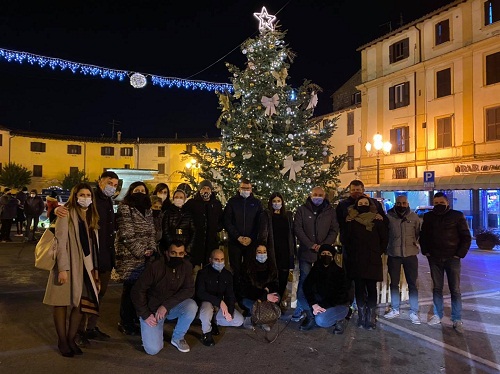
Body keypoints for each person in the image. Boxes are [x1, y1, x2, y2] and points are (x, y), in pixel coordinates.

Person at [42, 182, 100, 357]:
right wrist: (62, 269)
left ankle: (71, 338)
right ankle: (62, 341)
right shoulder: (66, 213)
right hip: (66, 264)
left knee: (79, 304)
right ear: (75, 196)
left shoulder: (91, 216)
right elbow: (60, 242)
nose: (85, 198)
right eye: (81, 195)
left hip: (85, 267)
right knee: (61, 302)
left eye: (88, 195)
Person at [131, 241, 198, 355]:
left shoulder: (186, 266)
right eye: (173, 253)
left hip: (170, 307)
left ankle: (178, 337)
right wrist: (145, 314)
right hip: (152, 310)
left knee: (191, 306)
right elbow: (137, 291)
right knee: (153, 350)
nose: (177, 257)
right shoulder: (155, 267)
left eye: (180, 254)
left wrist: (166, 306)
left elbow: (189, 289)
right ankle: (151, 330)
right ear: (166, 253)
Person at [420, 192, 471, 334]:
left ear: (447, 202)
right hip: (435, 258)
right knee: (437, 288)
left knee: (455, 290)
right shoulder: (428, 216)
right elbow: (423, 235)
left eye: (441, 203)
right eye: (436, 203)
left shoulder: (457, 215)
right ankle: (437, 315)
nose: (439, 205)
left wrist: (459, 254)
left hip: (452, 258)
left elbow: (466, 237)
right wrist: (426, 251)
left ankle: (457, 319)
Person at [77, 171, 119, 342]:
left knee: (100, 294)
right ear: (100, 181)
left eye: (115, 185)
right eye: (109, 183)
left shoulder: (108, 201)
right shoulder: (90, 198)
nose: (112, 187)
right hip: (92, 256)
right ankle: (80, 330)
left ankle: (92, 327)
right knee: (87, 295)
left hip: (105, 257)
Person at [335, 179, 388, 317]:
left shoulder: (373, 204)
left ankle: (367, 311)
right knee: (351, 280)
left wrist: (379, 250)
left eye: (358, 190)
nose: (356, 193)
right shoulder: (343, 205)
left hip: (371, 253)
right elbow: (339, 224)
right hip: (353, 251)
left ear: (363, 190)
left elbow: (383, 225)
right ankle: (351, 306)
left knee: (369, 284)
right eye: (353, 190)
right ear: (350, 191)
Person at [115, 181, 158, 336]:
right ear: (130, 192)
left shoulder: (147, 210)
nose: (140, 193)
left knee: (141, 290)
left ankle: (134, 319)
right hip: (131, 256)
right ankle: (125, 321)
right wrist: (141, 251)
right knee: (129, 290)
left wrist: (152, 249)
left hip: (146, 256)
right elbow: (127, 233)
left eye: (142, 190)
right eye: (136, 190)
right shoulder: (125, 207)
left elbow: (152, 231)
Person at [293, 186, 339, 329]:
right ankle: (306, 310)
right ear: (310, 195)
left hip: (323, 255)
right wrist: (311, 244)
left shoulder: (330, 211)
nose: (318, 197)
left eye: (320, 195)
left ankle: (322, 309)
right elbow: (298, 229)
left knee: (323, 282)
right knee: (304, 281)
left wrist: (324, 246)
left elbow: (334, 229)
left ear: (324, 196)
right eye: (315, 194)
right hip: (307, 253)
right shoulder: (302, 210)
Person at [344, 196, 389, 330]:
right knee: (359, 288)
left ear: (370, 205)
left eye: (365, 203)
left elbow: (384, 238)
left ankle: (371, 316)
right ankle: (362, 315)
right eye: (360, 203)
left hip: (372, 258)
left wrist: (377, 251)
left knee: (371, 288)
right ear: (356, 205)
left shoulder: (377, 219)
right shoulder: (351, 220)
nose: (363, 205)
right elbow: (346, 239)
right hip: (357, 259)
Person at [223, 178, 263, 305]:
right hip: (235, 242)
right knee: (236, 269)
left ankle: (246, 297)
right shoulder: (232, 202)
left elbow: (259, 222)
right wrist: (238, 237)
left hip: (251, 243)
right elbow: (227, 221)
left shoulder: (256, 203)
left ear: (251, 189)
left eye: (248, 188)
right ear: (239, 189)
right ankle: (235, 297)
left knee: (248, 269)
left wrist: (251, 237)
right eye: (243, 188)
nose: (246, 190)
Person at [384, 195, 422, 324]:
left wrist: (413, 244)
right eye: (399, 203)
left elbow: (418, 233)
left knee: (412, 284)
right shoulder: (388, 217)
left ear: (407, 203)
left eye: (404, 203)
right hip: (394, 254)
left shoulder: (413, 217)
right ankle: (395, 309)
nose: (401, 205)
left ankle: (414, 311)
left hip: (410, 255)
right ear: (395, 203)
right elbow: (385, 234)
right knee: (394, 284)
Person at [195, 249, 244, 346]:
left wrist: (229, 311)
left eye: (222, 259)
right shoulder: (203, 273)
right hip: (206, 303)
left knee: (239, 320)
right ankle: (206, 333)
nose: (220, 262)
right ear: (210, 260)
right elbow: (200, 293)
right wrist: (220, 302)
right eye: (216, 259)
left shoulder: (227, 275)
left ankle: (212, 322)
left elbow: (230, 295)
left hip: (219, 306)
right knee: (207, 309)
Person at [301, 244, 350, 333]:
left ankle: (341, 320)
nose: (326, 255)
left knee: (321, 321)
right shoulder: (315, 269)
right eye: (323, 253)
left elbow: (341, 295)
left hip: (338, 305)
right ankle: (311, 318)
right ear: (319, 255)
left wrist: (321, 306)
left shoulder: (339, 271)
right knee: (301, 296)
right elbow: (307, 286)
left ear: (332, 256)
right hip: (319, 303)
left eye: (328, 253)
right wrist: (314, 304)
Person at [257, 192, 295, 306]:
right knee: (273, 279)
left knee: (283, 279)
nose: (276, 203)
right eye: (274, 201)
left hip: (285, 252)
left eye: (279, 201)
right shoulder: (266, 215)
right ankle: (269, 304)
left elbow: (291, 234)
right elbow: (263, 234)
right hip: (272, 251)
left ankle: (277, 304)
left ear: (282, 202)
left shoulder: (287, 215)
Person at [183, 179, 224, 276]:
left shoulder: (216, 204)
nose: (206, 191)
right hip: (196, 243)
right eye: (203, 188)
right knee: (195, 271)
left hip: (211, 242)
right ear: (199, 190)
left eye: (208, 188)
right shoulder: (192, 203)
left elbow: (222, 219)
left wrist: (217, 228)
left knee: (209, 271)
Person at [240, 245, 280, 331]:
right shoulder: (247, 267)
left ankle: (263, 319)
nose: (262, 254)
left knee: (277, 297)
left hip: (266, 294)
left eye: (264, 252)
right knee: (252, 304)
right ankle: (249, 316)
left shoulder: (271, 266)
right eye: (259, 252)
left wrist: (267, 290)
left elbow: (275, 283)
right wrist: (264, 295)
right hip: (251, 297)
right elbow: (245, 289)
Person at [160, 188, 195, 257]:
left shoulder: (188, 213)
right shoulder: (168, 212)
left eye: (181, 197)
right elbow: (165, 230)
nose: (178, 199)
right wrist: (171, 245)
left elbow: (193, 231)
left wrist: (188, 247)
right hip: (171, 244)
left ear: (185, 199)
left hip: (185, 244)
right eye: (176, 197)